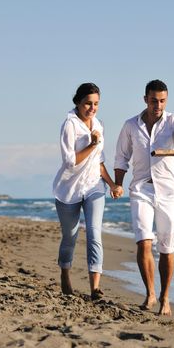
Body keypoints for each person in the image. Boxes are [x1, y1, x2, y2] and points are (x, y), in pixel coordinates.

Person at [114, 79, 174, 315]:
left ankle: (165, 297)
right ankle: (150, 293)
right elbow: (121, 158)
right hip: (141, 189)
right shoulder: (131, 125)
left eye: (162, 101)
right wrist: (118, 185)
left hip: (168, 191)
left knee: (166, 246)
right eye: (154, 100)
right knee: (143, 241)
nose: (158, 105)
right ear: (145, 99)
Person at [52, 83, 122, 300]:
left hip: (94, 187)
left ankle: (95, 289)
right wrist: (92, 144)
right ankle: (65, 272)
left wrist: (112, 184)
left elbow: (99, 162)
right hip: (69, 190)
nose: (92, 108)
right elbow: (71, 162)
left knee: (94, 232)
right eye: (88, 104)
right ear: (78, 102)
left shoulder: (99, 124)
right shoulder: (69, 125)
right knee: (70, 237)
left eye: (96, 104)